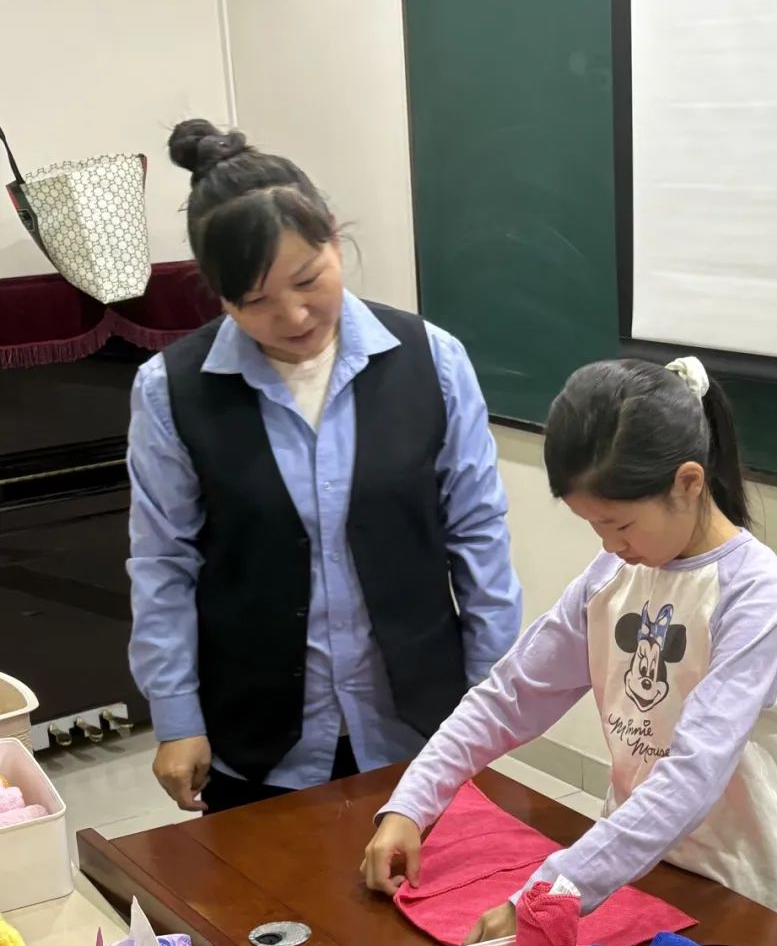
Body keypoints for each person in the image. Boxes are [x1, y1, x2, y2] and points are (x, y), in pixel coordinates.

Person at [128, 119, 522, 813]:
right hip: (256, 736)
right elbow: (164, 563)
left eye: (308, 279)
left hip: (419, 728)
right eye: (254, 301)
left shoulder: (432, 360)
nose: (293, 315)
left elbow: (478, 535)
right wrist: (177, 717)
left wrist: (491, 695)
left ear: (334, 238)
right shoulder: (171, 390)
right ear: (218, 294)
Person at [364, 355, 777, 937]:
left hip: (742, 888)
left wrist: (548, 892)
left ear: (688, 483)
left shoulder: (753, 591)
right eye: (594, 527)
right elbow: (509, 697)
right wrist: (411, 802)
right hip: (631, 867)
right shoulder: (613, 574)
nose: (610, 545)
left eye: (621, 525)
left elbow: (694, 772)